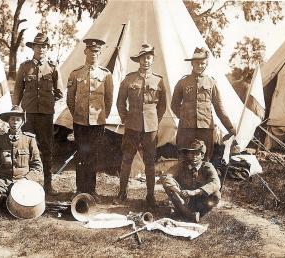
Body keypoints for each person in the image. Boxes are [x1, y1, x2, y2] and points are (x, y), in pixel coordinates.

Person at [114, 44, 167, 207]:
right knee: (127, 158)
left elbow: (162, 105)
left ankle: (150, 196)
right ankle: (122, 193)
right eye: (143, 58)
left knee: (150, 161)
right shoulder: (130, 79)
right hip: (132, 124)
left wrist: (154, 121)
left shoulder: (159, 80)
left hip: (150, 126)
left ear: (152, 59)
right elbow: (120, 101)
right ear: (139, 60)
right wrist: (125, 118)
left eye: (149, 57)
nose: (146, 61)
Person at [13, 33, 62, 195]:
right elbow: (18, 90)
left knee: (47, 149)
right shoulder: (25, 67)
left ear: (47, 49)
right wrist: (16, 107)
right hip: (28, 114)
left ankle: (48, 185)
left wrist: (48, 101)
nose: (41, 49)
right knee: (25, 147)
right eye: (38, 46)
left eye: (44, 46)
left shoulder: (53, 67)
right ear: (33, 48)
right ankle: (23, 184)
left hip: (46, 115)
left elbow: (60, 92)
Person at [66, 38, 114, 202]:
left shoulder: (106, 75)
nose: (93, 54)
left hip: (97, 122)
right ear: (85, 52)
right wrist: (77, 114)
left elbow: (108, 100)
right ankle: (80, 188)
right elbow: (70, 99)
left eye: (96, 51)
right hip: (80, 122)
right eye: (91, 51)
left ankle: (91, 190)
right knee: (81, 155)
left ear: (100, 53)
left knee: (93, 155)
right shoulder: (76, 73)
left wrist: (101, 116)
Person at [171, 47, 236, 161]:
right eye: (197, 63)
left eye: (203, 63)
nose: (200, 66)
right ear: (192, 63)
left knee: (205, 159)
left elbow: (219, 108)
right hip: (186, 129)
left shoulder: (211, 83)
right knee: (184, 158)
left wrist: (230, 127)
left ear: (206, 64)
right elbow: (174, 105)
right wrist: (184, 118)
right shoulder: (183, 82)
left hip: (206, 128)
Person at [0, 106, 43, 205]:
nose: (15, 122)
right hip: (3, 180)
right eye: (12, 119)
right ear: (8, 121)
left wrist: (26, 179)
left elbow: (37, 166)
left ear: (22, 122)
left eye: (18, 119)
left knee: (28, 199)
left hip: (23, 181)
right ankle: (7, 198)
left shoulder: (29, 139)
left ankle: (9, 199)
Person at [161, 139, 221, 222]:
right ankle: (188, 213)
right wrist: (179, 191)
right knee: (168, 186)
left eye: (197, 153)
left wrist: (195, 192)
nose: (194, 156)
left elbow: (216, 183)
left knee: (216, 194)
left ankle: (196, 213)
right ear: (188, 154)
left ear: (202, 156)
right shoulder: (182, 165)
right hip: (184, 199)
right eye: (192, 153)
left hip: (201, 199)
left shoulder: (208, 167)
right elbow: (165, 176)